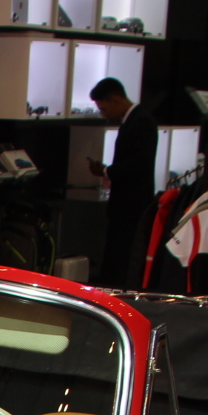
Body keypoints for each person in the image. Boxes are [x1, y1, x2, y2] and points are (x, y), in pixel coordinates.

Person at [84, 77, 157, 289]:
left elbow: (140, 163)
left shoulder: (142, 121)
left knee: (124, 259)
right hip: (125, 206)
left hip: (132, 207)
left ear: (115, 99)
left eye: (104, 109)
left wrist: (107, 171)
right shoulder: (133, 121)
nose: (104, 115)